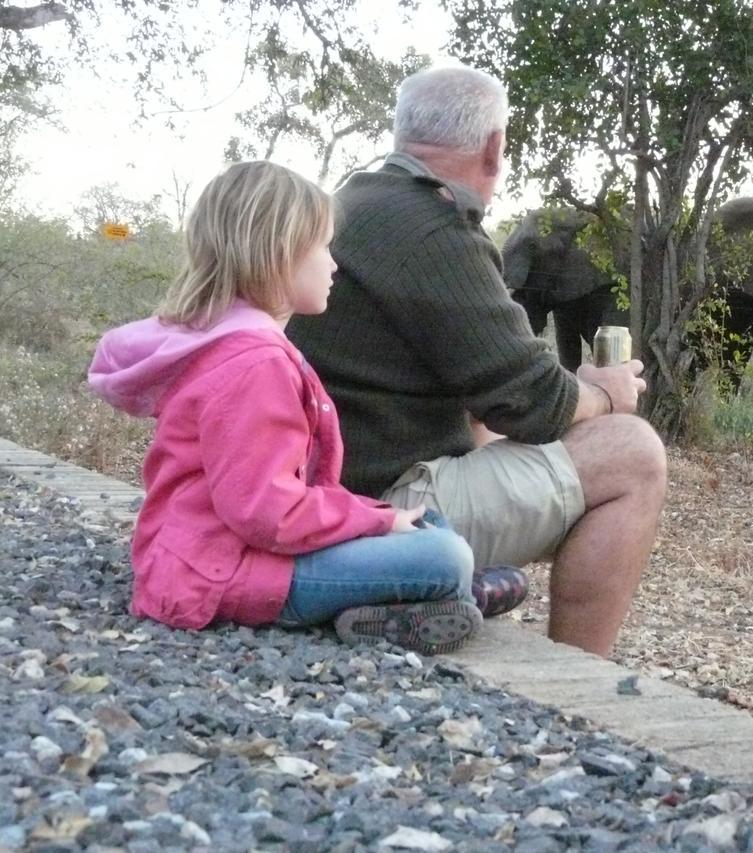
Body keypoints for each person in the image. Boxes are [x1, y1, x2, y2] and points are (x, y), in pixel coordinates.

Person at [286, 66, 667, 657]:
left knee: (484, 425)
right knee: (634, 454)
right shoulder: (432, 227)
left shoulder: (355, 201)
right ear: (494, 148)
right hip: (377, 505)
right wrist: (604, 393)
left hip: (325, 489)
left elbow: (491, 392)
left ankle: (425, 592)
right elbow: (535, 401)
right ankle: (582, 676)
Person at [88, 160, 496, 656]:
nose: (334, 264)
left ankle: (432, 597)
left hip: (212, 557)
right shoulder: (254, 364)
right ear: (278, 254)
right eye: (323, 247)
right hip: (224, 574)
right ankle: (438, 592)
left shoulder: (227, 344)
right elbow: (268, 513)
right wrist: (375, 521)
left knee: (427, 523)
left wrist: (380, 514)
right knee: (444, 555)